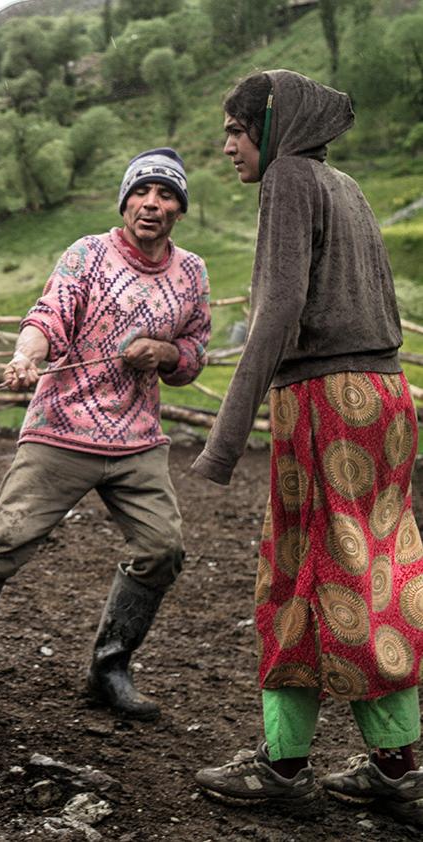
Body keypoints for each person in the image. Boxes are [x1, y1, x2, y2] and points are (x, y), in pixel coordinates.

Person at [191, 70, 423, 829]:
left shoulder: (288, 176)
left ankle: (283, 765)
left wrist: (224, 440)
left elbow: (280, 307)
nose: (227, 145)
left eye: (235, 128)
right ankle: (397, 766)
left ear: (272, 124)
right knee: (372, 572)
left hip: (325, 403)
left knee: (299, 576)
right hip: (385, 400)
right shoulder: (343, 184)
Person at [0, 148, 211, 723]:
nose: (152, 204)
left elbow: (196, 350)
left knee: (162, 549)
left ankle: (110, 668)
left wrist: (166, 352)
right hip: (60, 431)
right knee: (0, 546)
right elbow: (47, 315)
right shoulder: (88, 254)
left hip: (137, 440)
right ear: (125, 200)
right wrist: (28, 354)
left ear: (179, 208)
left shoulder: (191, 271)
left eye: (166, 194)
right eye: (142, 192)